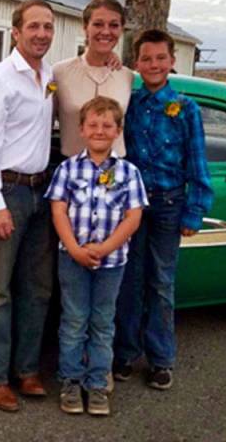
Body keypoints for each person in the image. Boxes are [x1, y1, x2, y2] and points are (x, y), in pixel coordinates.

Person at [113, 29, 214, 391]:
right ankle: (125, 352)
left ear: (172, 62)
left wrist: (195, 209)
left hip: (169, 204)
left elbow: (197, 162)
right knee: (129, 279)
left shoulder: (186, 108)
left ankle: (160, 358)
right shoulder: (130, 103)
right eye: (146, 59)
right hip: (131, 203)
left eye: (160, 58)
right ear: (136, 63)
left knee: (161, 281)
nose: (153, 65)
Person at [0, 0, 58, 412]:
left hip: (42, 191)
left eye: (48, 27)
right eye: (34, 26)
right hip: (6, 192)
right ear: (16, 32)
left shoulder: (50, 76)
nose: (42, 34)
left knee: (37, 288)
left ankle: (27, 370)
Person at [45, 96, 147, 416]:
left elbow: (133, 217)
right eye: (93, 125)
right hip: (71, 259)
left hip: (111, 262)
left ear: (118, 131)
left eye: (107, 125)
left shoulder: (128, 172)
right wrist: (75, 249)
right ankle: (71, 381)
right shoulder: (67, 169)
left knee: (103, 322)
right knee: (74, 320)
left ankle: (98, 383)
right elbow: (58, 211)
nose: (99, 131)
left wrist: (105, 248)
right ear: (81, 129)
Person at [53, 0, 133, 158]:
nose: (106, 31)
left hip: (116, 168)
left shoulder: (126, 76)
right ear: (85, 26)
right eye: (98, 24)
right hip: (71, 167)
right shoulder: (59, 73)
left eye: (114, 25)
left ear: (121, 29)